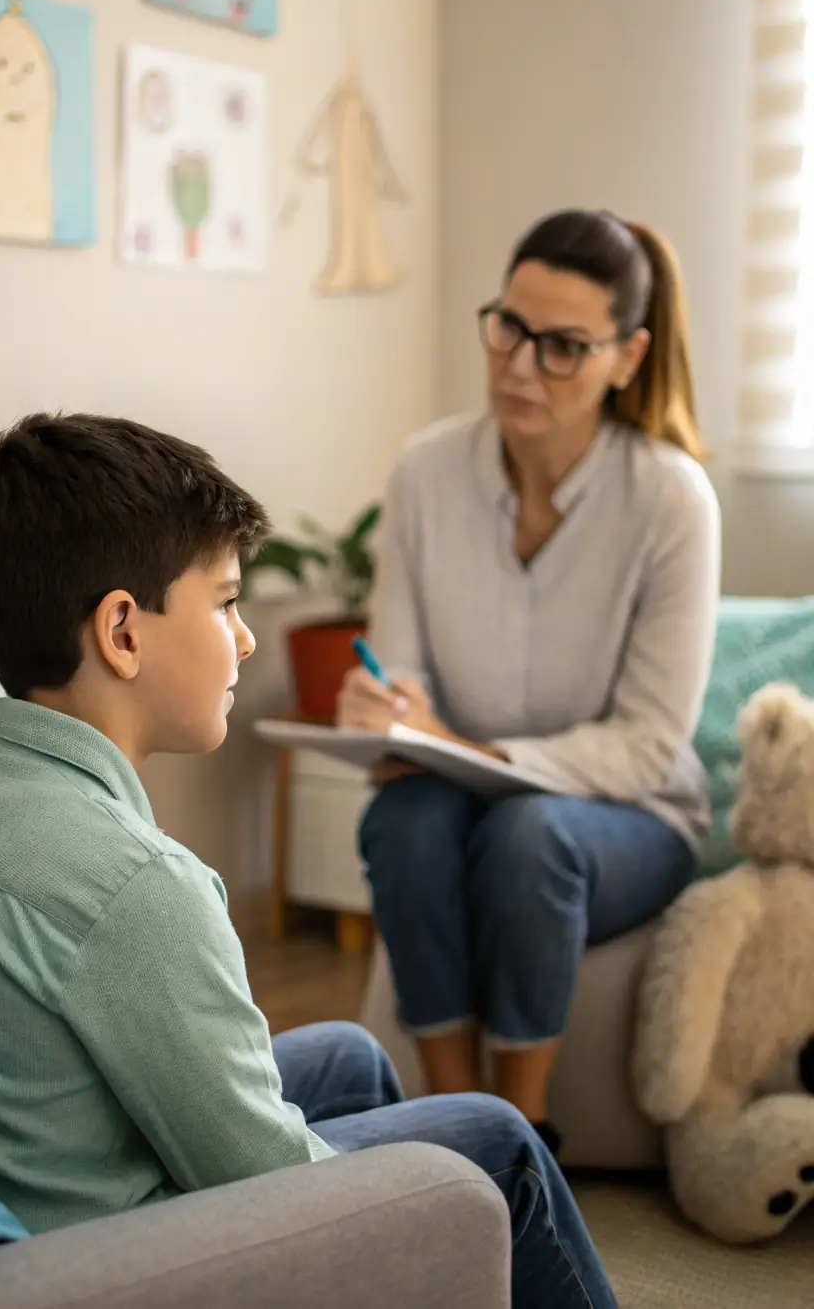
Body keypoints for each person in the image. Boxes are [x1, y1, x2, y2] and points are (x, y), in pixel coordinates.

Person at [0, 413, 616, 1309]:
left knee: (352, 1057)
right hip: (89, 1266)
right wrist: (409, 1196)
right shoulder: (137, 885)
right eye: (225, 602)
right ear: (123, 632)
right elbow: (274, 1180)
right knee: (497, 1141)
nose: (246, 638)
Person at [338, 210, 721, 1154]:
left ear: (626, 357)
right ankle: (448, 1130)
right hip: (457, 799)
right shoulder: (427, 471)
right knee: (405, 821)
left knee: (529, 833)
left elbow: (645, 742)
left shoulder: (671, 498)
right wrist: (384, 714)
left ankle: (522, 1139)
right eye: (508, 326)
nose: (518, 365)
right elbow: (402, 670)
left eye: (562, 347)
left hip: (631, 815)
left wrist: (465, 750)